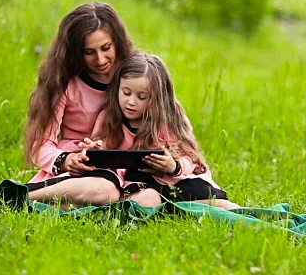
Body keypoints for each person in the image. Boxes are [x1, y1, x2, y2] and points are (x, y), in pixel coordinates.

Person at [89, 52, 239, 209]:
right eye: (126, 93)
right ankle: (167, 209)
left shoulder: (170, 120)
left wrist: (173, 166)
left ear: (158, 98)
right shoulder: (108, 117)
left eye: (142, 97)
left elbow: (190, 158)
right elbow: (100, 152)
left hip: (172, 180)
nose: (131, 102)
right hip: (135, 184)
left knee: (219, 204)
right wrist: (93, 150)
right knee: (146, 201)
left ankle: (244, 214)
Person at [23, 1, 135, 210]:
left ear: (117, 42)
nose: (100, 59)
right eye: (89, 52)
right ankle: (13, 196)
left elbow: (166, 122)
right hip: (79, 167)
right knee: (104, 192)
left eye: (106, 48)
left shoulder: (137, 75)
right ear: (76, 51)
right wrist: (67, 161)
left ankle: (21, 201)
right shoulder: (64, 83)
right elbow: (40, 145)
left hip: (126, 165)